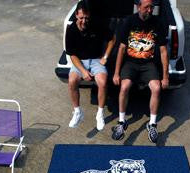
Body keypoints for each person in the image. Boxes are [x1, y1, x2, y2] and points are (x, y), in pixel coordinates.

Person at [112, 0, 169, 143]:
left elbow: (163, 51)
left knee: (156, 88)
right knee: (124, 87)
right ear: (139, 7)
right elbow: (122, 48)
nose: (150, 10)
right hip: (130, 63)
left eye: (152, 7)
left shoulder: (158, 23)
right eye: (146, 7)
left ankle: (152, 124)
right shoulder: (129, 22)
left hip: (149, 64)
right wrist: (116, 73)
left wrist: (165, 77)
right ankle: (121, 122)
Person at [66, 1, 116, 130]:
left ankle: (100, 114)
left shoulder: (97, 24)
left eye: (86, 18)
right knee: (72, 81)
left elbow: (112, 39)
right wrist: (83, 71)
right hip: (79, 61)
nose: (84, 21)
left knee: (103, 82)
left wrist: (105, 57)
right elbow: (72, 55)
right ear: (76, 15)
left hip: (96, 60)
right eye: (81, 18)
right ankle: (77, 112)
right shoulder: (71, 29)